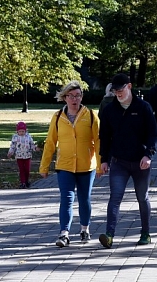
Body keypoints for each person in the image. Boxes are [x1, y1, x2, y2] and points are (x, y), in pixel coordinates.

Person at [98, 72, 157, 248]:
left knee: (142, 197)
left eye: (121, 90)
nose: (118, 94)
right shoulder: (110, 110)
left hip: (141, 161)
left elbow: (153, 134)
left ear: (129, 87)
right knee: (115, 197)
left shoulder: (143, 107)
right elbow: (105, 136)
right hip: (119, 161)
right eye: (115, 91)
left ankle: (145, 233)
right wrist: (104, 159)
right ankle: (109, 235)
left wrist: (148, 155)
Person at [39, 81, 101, 248]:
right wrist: (44, 166)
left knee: (84, 198)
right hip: (64, 165)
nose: (75, 99)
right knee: (66, 199)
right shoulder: (58, 116)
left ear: (82, 97)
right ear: (65, 97)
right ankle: (64, 233)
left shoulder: (91, 115)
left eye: (78, 96)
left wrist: (100, 164)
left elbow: (98, 141)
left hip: (86, 165)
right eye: (71, 96)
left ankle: (84, 229)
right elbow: (50, 142)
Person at [7, 121, 39, 188]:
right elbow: (13, 146)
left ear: (25, 131)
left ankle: (26, 181)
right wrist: (10, 152)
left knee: (27, 170)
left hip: (27, 155)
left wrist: (35, 148)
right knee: (21, 169)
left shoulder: (28, 136)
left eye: (23, 131)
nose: (21, 133)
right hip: (19, 156)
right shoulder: (15, 137)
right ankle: (23, 182)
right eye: (20, 131)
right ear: (17, 131)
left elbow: (32, 144)